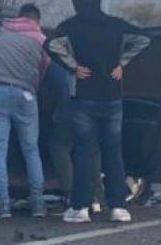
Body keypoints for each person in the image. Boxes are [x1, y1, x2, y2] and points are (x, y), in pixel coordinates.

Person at [45, 0, 150, 223]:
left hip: (84, 97)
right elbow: (144, 39)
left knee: (84, 154)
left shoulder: (70, 26)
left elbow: (49, 44)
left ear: (75, 2)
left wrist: (73, 66)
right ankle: (118, 207)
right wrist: (122, 63)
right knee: (113, 153)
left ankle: (81, 208)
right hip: (112, 97)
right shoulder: (115, 25)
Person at [0, 3, 50, 218]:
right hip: (25, 94)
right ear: (37, 20)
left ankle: (2, 205)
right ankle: (38, 204)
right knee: (31, 149)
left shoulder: (2, 30)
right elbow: (43, 70)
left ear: (20, 17)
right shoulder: (42, 40)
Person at [46, 61, 105, 212]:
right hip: (97, 108)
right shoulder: (98, 55)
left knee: (60, 147)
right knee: (92, 151)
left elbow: (55, 84)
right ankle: (97, 197)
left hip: (72, 107)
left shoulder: (63, 60)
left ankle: (72, 194)